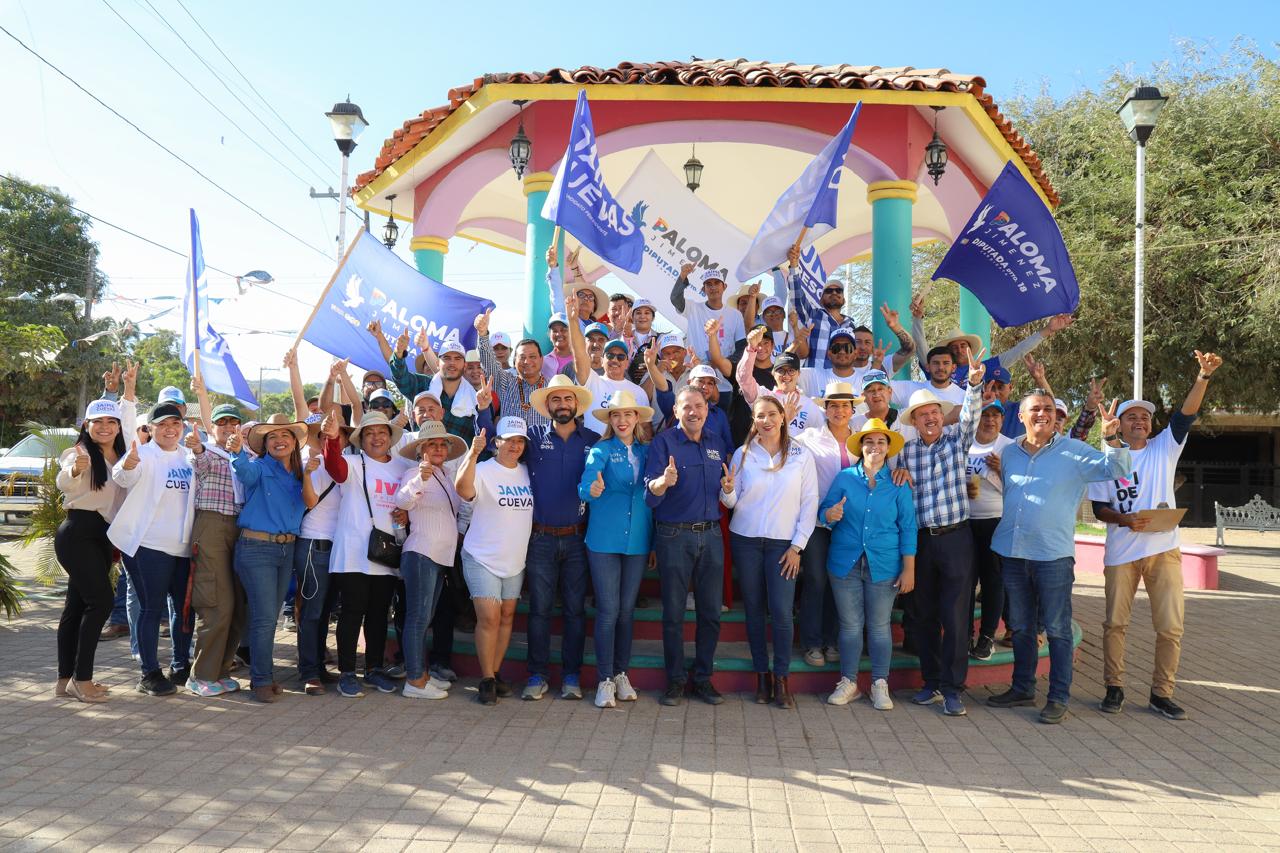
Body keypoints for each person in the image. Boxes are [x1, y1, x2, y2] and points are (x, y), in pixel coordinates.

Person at [1088, 351, 1221, 721]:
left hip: (1164, 550)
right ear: (1119, 423)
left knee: (1170, 627)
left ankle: (1162, 693)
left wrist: (1203, 375)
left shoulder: (1166, 446)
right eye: (1133, 416)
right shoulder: (1108, 459)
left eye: (1146, 417)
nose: (1141, 421)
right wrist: (1124, 520)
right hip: (1121, 553)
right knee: (1115, 624)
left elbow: (1186, 415)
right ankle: (1114, 688)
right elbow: (1099, 510)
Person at [986, 391, 1129, 725]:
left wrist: (1111, 435)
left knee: (1058, 630)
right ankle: (1022, 687)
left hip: (1052, 557)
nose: (1042, 414)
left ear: (1056, 416)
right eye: (1035, 409)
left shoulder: (1074, 452)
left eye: (1048, 409)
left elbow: (1117, 469)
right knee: (1020, 627)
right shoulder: (1008, 453)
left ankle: (1058, 697)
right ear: (1020, 416)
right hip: (1013, 552)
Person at [895, 351, 987, 717]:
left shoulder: (956, 442)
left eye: (934, 413)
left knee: (955, 616)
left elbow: (970, 417)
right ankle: (931, 682)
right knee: (925, 615)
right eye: (923, 416)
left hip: (955, 539)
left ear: (940, 417)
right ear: (914, 421)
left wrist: (975, 383)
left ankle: (953, 688)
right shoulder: (905, 455)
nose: (930, 419)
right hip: (921, 542)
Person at [720, 396, 818, 709]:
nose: (767, 421)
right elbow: (732, 503)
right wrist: (728, 489)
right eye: (760, 415)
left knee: (781, 612)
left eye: (772, 414)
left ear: (782, 417)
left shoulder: (801, 455)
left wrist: (797, 547)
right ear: (754, 419)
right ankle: (761, 675)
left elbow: (810, 503)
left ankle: (781, 678)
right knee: (753, 609)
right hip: (746, 539)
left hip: (782, 544)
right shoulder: (743, 453)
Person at [818, 418, 917, 709]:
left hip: (884, 564)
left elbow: (908, 527)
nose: (875, 447)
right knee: (849, 627)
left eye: (881, 442)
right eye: (869, 441)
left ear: (888, 449)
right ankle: (849, 682)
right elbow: (825, 511)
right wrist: (829, 515)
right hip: (845, 564)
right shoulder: (844, 478)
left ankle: (879, 684)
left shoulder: (898, 484)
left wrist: (909, 567)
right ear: (861, 446)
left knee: (878, 627)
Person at [645, 386, 732, 706]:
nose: (693, 411)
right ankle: (676, 680)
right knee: (673, 613)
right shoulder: (663, 443)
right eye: (687, 407)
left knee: (710, 613)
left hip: (710, 536)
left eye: (699, 406)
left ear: (707, 410)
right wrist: (662, 482)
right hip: (674, 536)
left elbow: (723, 491)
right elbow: (649, 497)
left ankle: (704, 679)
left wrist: (728, 489)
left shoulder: (716, 442)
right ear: (676, 411)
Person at [54, 381, 137, 702]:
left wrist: (126, 392)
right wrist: (76, 469)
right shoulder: (78, 453)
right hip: (78, 532)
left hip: (103, 536)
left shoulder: (122, 456)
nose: (104, 427)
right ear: (87, 426)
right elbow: (65, 479)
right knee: (101, 602)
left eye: (111, 422)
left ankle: (64, 680)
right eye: (97, 422)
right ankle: (82, 678)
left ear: (117, 426)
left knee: (76, 607)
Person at [108, 402, 196, 697]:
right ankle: (149, 672)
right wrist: (129, 462)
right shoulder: (143, 454)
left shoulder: (190, 457)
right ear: (151, 428)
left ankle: (181, 665)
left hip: (183, 547)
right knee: (151, 608)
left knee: (183, 610)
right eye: (163, 425)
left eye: (175, 424)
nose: (170, 429)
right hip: (148, 547)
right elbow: (123, 476)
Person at [517, 376, 597, 700]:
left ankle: (571, 677)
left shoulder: (594, 440)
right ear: (547, 405)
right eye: (556, 400)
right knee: (539, 610)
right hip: (540, 539)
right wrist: (483, 411)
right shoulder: (531, 438)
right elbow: (501, 453)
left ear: (576, 404)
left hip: (579, 539)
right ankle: (536, 675)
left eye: (567, 399)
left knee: (575, 611)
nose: (562, 405)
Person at [321, 410, 410, 699]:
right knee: (352, 613)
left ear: (390, 437)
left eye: (382, 433)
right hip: (353, 552)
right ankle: (348, 672)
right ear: (361, 439)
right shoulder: (353, 462)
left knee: (377, 616)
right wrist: (332, 438)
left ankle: (373, 669)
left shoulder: (400, 466)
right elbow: (334, 468)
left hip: (386, 554)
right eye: (370, 433)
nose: (376, 438)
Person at [230, 414, 318, 702]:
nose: (280, 440)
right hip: (257, 548)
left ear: (294, 443)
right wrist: (236, 452)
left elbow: (309, 502)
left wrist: (306, 474)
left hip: (286, 549)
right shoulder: (258, 467)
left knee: (269, 616)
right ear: (265, 444)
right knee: (265, 618)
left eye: (286, 436)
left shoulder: (298, 473)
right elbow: (243, 472)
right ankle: (261, 681)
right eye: (273, 437)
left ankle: (263, 676)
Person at [577, 391, 654, 708]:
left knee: (626, 611)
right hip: (604, 540)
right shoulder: (601, 449)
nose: (622, 420)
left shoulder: (648, 452)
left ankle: (622, 673)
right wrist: (591, 489)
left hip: (637, 540)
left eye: (628, 414)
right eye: (616, 415)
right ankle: (604, 679)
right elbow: (585, 485)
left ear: (637, 418)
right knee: (608, 612)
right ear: (610, 420)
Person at [456, 418, 534, 706]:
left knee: (507, 617)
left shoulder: (528, 473)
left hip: (515, 560)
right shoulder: (484, 469)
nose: (515, 445)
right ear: (496, 442)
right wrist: (472, 454)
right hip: (482, 556)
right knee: (489, 617)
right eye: (509, 439)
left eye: (520, 441)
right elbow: (463, 490)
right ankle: (486, 678)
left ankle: (496, 672)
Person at [184, 381, 249, 698]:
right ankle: (201, 675)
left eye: (232, 422)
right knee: (216, 603)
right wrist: (197, 447)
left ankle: (221, 670)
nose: (227, 427)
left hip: (241, 529)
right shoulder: (207, 451)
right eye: (221, 423)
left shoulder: (246, 454)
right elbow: (200, 462)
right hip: (211, 526)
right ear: (214, 428)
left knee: (237, 606)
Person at [395, 421, 467, 700]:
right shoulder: (415, 472)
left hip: (439, 556)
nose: (438, 449)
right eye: (432, 444)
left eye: (442, 444)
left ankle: (421, 675)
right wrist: (419, 480)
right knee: (418, 618)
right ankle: (415, 679)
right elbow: (402, 502)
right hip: (422, 552)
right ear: (421, 449)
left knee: (425, 618)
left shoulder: (447, 475)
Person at [793, 381, 862, 667]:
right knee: (816, 581)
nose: (839, 410)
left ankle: (832, 640)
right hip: (818, 523)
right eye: (833, 404)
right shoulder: (808, 437)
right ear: (826, 409)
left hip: (852, 525)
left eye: (845, 405)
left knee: (841, 582)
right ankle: (811, 643)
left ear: (852, 409)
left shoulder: (862, 438)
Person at [966, 401, 1014, 661]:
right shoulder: (965, 443)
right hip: (964, 520)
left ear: (1002, 419)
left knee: (993, 580)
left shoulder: (1008, 447)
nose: (990, 420)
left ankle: (987, 637)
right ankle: (965, 635)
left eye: (996, 415)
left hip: (996, 519)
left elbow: (1020, 487)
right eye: (985, 414)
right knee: (966, 580)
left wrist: (1000, 470)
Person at [566, 292, 649, 435]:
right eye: (610, 355)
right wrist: (573, 321)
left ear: (627, 361)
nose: (615, 360)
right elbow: (579, 356)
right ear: (603, 359)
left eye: (621, 356)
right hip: (596, 452)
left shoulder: (639, 392)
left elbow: (646, 430)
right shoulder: (593, 382)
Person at [669, 264, 746, 395]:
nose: (713, 287)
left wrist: (723, 363)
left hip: (724, 384)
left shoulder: (735, 315)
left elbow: (741, 347)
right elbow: (675, 298)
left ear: (724, 287)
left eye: (717, 283)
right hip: (696, 379)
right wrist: (683, 276)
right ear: (703, 289)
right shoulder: (693, 308)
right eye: (708, 284)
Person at [476, 308, 553, 430]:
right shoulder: (506, 383)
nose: (527, 362)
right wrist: (483, 334)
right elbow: (488, 363)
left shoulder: (552, 388)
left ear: (541, 359)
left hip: (541, 448)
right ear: (515, 361)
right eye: (522, 357)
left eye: (532, 357)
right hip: (510, 447)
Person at [736, 330, 824, 433]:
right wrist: (751, 348)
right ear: (773, 373)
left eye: (791, 371)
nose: (786, 375)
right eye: (781, 371)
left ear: (798, 374)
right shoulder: (763, 397)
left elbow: (821, 436)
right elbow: (744, 379)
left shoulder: (809, 405)